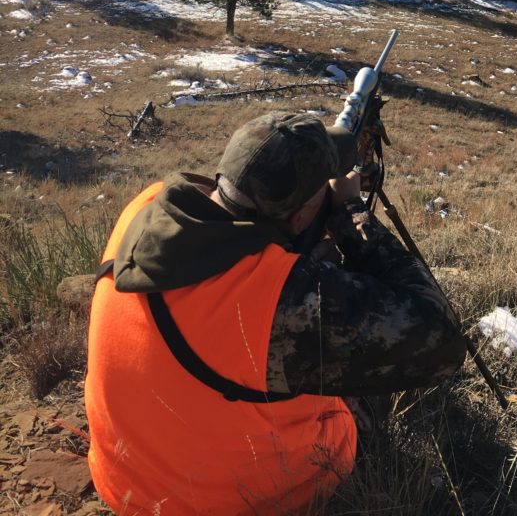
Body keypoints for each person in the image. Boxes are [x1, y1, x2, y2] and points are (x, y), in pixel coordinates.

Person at [85, 110, 466, 516]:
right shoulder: (278, 301)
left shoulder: (144, 210)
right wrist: (350, 213)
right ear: (302, 217)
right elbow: (441, 342)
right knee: (362, 385)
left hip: (123, 480)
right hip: (231, 503)